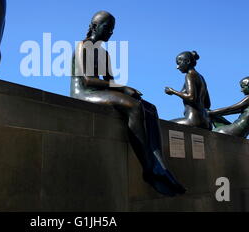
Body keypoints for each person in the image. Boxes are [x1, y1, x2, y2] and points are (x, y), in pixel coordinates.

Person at [71, 11, 185, 196]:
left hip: (101, 93)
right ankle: (148, 168)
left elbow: (110, 81)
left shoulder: (104, 53)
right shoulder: (83, 46)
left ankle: (160, 164)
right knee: (133, 106)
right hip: (84, 93)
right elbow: (88, 80)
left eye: (113, 29)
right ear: (94, 27)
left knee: (150, 108)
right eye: (107, 28)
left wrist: (125, 89)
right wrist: (124, 88)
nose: (111, 33)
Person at [165, 51, 212, 130]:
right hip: (205, 122)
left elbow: (191, 97)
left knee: (163, 126)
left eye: (179, 63)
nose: (177, 67)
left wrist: (173, 91)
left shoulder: (190, 75)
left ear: (187, 61)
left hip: (193, 120)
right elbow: (207, 104)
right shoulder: (201, 77)